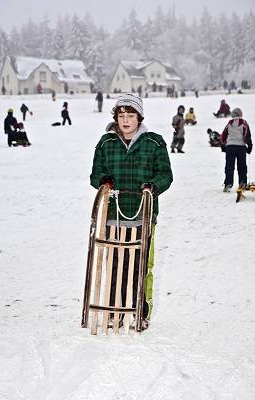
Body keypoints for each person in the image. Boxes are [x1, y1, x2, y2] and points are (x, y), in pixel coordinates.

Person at [90, 93, 173, 329]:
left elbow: (166, 175)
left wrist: (153, 186)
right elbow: (95, 174)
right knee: (116, 263)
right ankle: (115, 309)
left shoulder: (154, 142)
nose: (125, 120)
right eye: (121, 115)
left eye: (131, 115)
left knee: (141, 263)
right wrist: (103, 181)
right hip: (114, 214)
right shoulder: (106, 143)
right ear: (116, 118)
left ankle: (140, 310)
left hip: (143, 214)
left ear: (139, 117)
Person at [220, 108, 252, 192]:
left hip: (230, 147)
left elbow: (223, 135)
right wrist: (249, 145)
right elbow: (247, 135)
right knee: (242, 166)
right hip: (241, 147)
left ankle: (228, 184)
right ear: (240, 114)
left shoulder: (229, 124)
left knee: (229, 166)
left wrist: (223, 145)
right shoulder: (243, 123)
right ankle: (243, 184)